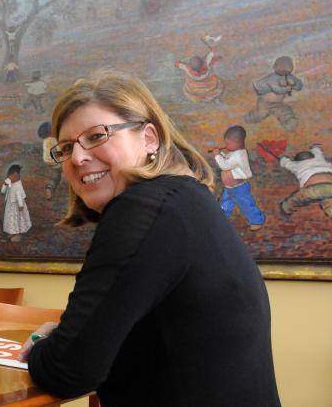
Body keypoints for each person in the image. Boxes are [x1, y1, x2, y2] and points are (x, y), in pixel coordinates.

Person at [20, 73, 280, 406]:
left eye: (97, 136)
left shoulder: (141, 209)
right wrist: (65, 341)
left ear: (149, 138)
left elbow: (68, 372)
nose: (77, 158)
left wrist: (42, 347)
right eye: (66, 147)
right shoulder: (184, 199)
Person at [213, 125, 266, 230]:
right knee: (224, 203)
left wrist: (217, 156)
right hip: (229, 188)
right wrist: (222, 155)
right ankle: (222, 219)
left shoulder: (239, 155)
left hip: (239, 188)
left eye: (228, 143)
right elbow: (228, 159)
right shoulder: (235, 153)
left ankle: (257, 221)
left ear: (237, 143)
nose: (226, 145)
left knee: (246, 204)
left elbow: (225, 165)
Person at [244, 55, 303, 132]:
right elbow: (276, 89)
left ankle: (290, 124)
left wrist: (294, 83)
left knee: (285, 111)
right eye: (282, 71)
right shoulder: (272, 78)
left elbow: (299, 85)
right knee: (261, 114)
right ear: (276, 68)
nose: (284, 73)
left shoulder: (289, 77)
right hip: (265, 103)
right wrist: (286, 88)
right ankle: (248, 118)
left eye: (287, 72)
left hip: (278, 103)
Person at [279, 143, 332, 219]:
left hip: (313, 190)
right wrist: (315, 147)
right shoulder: (321, 161)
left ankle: (285, 210)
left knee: (292, 202)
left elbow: (286, 163)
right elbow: (318, 153)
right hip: (330, 186)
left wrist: (282, 159)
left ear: (297, 161)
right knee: (328, 199)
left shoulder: (298, 165)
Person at [0, 164, 31, 242]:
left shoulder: (18, 185)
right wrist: (5, 184)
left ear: (16, 175)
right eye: (9, 176)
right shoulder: (10, 183)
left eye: (11, 176)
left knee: (16, 218)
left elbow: (19, 195)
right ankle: (11, 232)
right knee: (10, 218)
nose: (9, 178)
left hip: (17, 206)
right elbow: (3, 192)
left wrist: (20, 205)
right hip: (10, 204)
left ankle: (17, 234)